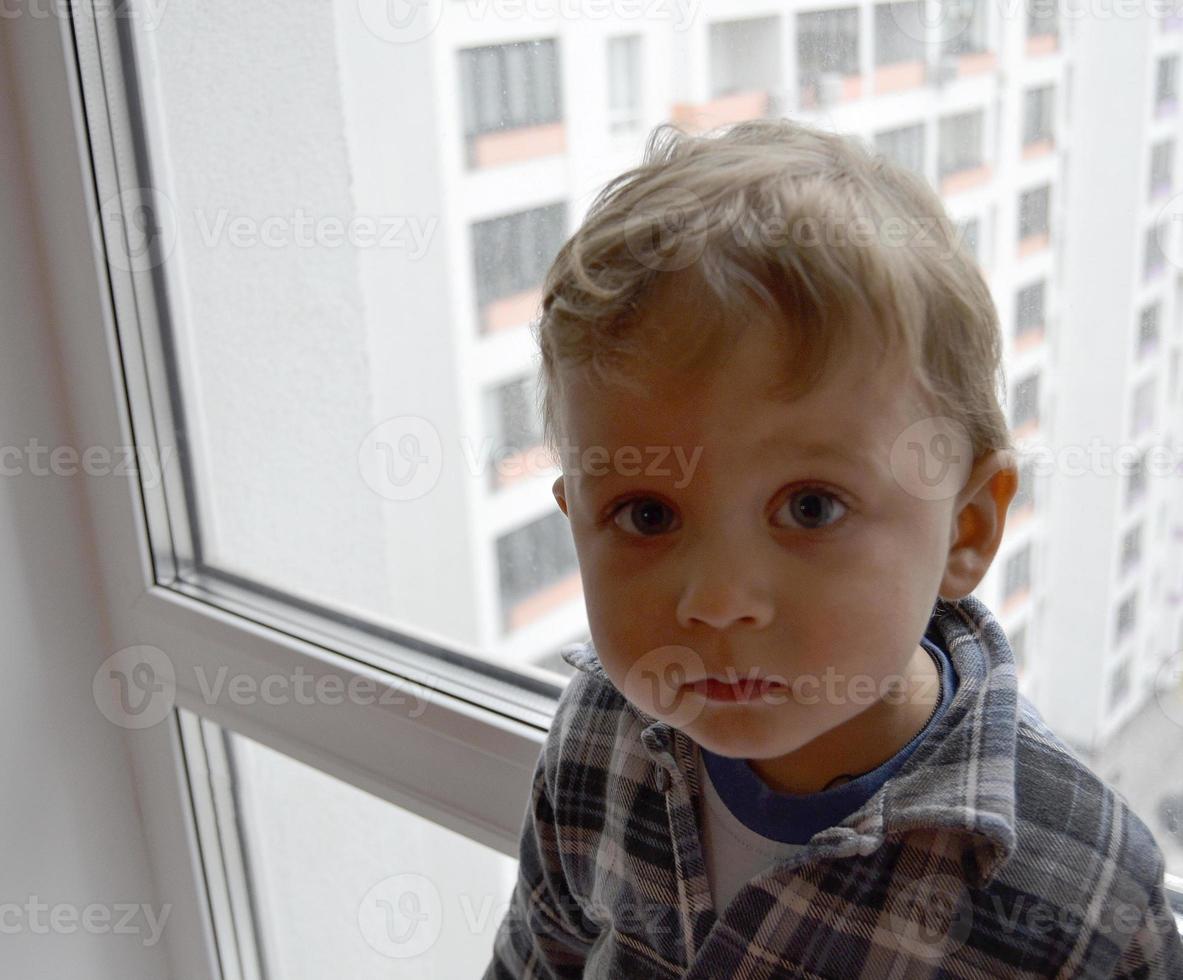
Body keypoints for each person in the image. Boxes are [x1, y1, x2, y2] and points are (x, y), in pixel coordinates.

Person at [482, 117, 1183, 977]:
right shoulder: (599, 734)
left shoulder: (1083, 898)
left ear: (965, 527)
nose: (716, 598)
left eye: (809, 507)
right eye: (645, 514)